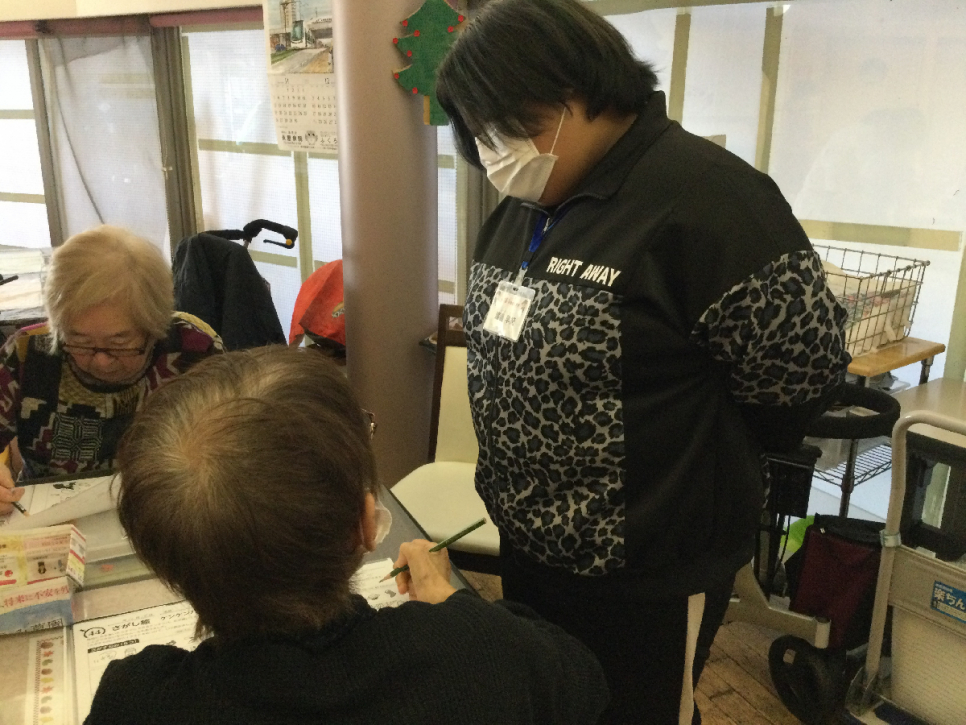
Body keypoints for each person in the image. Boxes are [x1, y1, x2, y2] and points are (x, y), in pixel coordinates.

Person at [435, 1, 851, 722]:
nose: (495, 151)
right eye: (478, 134)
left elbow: (798, 376)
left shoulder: (710, 200)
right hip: (529, 544)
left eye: (507, 125)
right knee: (552, 703)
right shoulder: (526, 203)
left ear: (577, 91)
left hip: (646, 569)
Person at [85, 347, 609, 725]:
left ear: (161, 558)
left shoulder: (135, 701)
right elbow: (583, 684)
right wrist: (454, 603)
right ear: (364, 523)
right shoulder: (477, 655)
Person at [0, 225, 221, 515]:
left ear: (155, 324)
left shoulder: (193, 351)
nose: (101, 361)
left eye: (120, 342)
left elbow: (232, 448)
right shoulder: (27, 353)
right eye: (80, 341)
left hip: (168, 510)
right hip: (49, 515)